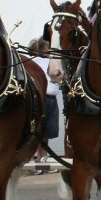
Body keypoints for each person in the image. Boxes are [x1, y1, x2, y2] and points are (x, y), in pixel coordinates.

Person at [31, 38, 60, 174]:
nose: (49, 50)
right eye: (47, 48)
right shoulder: (33, 61)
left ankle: (44, 157)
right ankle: (35, 157)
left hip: (52, 99)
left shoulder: (53, 62)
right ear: (41, 49)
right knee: (37, 129)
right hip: (40, 98)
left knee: (48, 130)